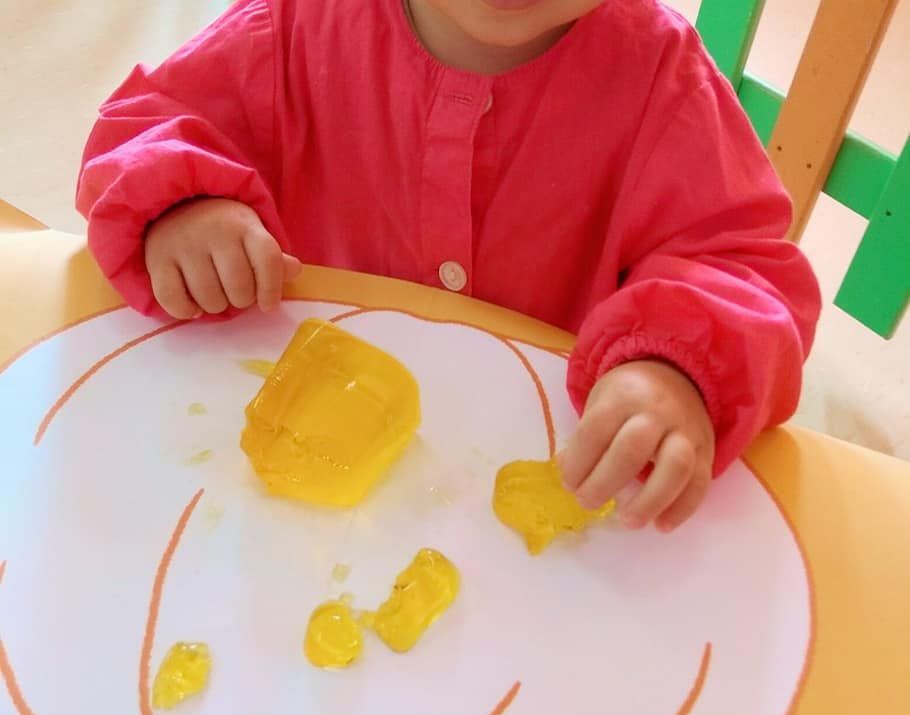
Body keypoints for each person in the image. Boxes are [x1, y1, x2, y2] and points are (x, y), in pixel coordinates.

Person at [77, 0, 821, 532]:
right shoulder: (293, 25)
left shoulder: (664, 80)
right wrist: (183, 204)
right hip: (300, 461)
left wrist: (676, 369)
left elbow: (741, 269)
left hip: (540, 478)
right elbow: (146, 128)